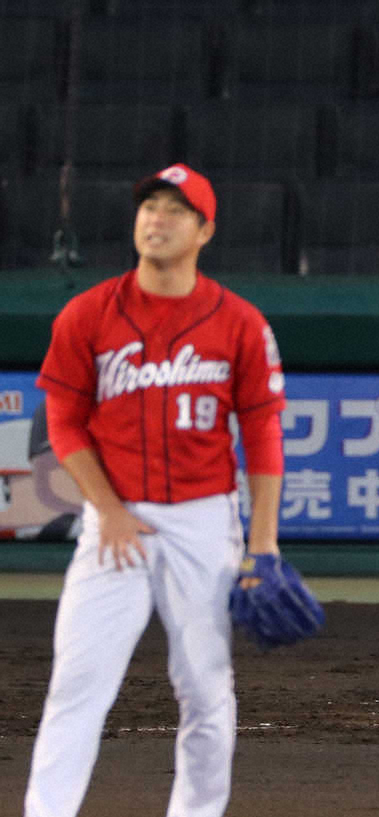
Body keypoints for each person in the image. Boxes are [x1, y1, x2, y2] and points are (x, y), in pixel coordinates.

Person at [23, 164, 287, 817]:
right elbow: (63, 421)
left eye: (175, 209)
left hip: (204, 520)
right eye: (149, 206)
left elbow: (262, 433)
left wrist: (264, 545)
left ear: (205, 229)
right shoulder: (88, 313)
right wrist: (107, 511)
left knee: (205, 689)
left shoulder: (240, 323)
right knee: (77, 684)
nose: (156, 218)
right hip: (114, 522)